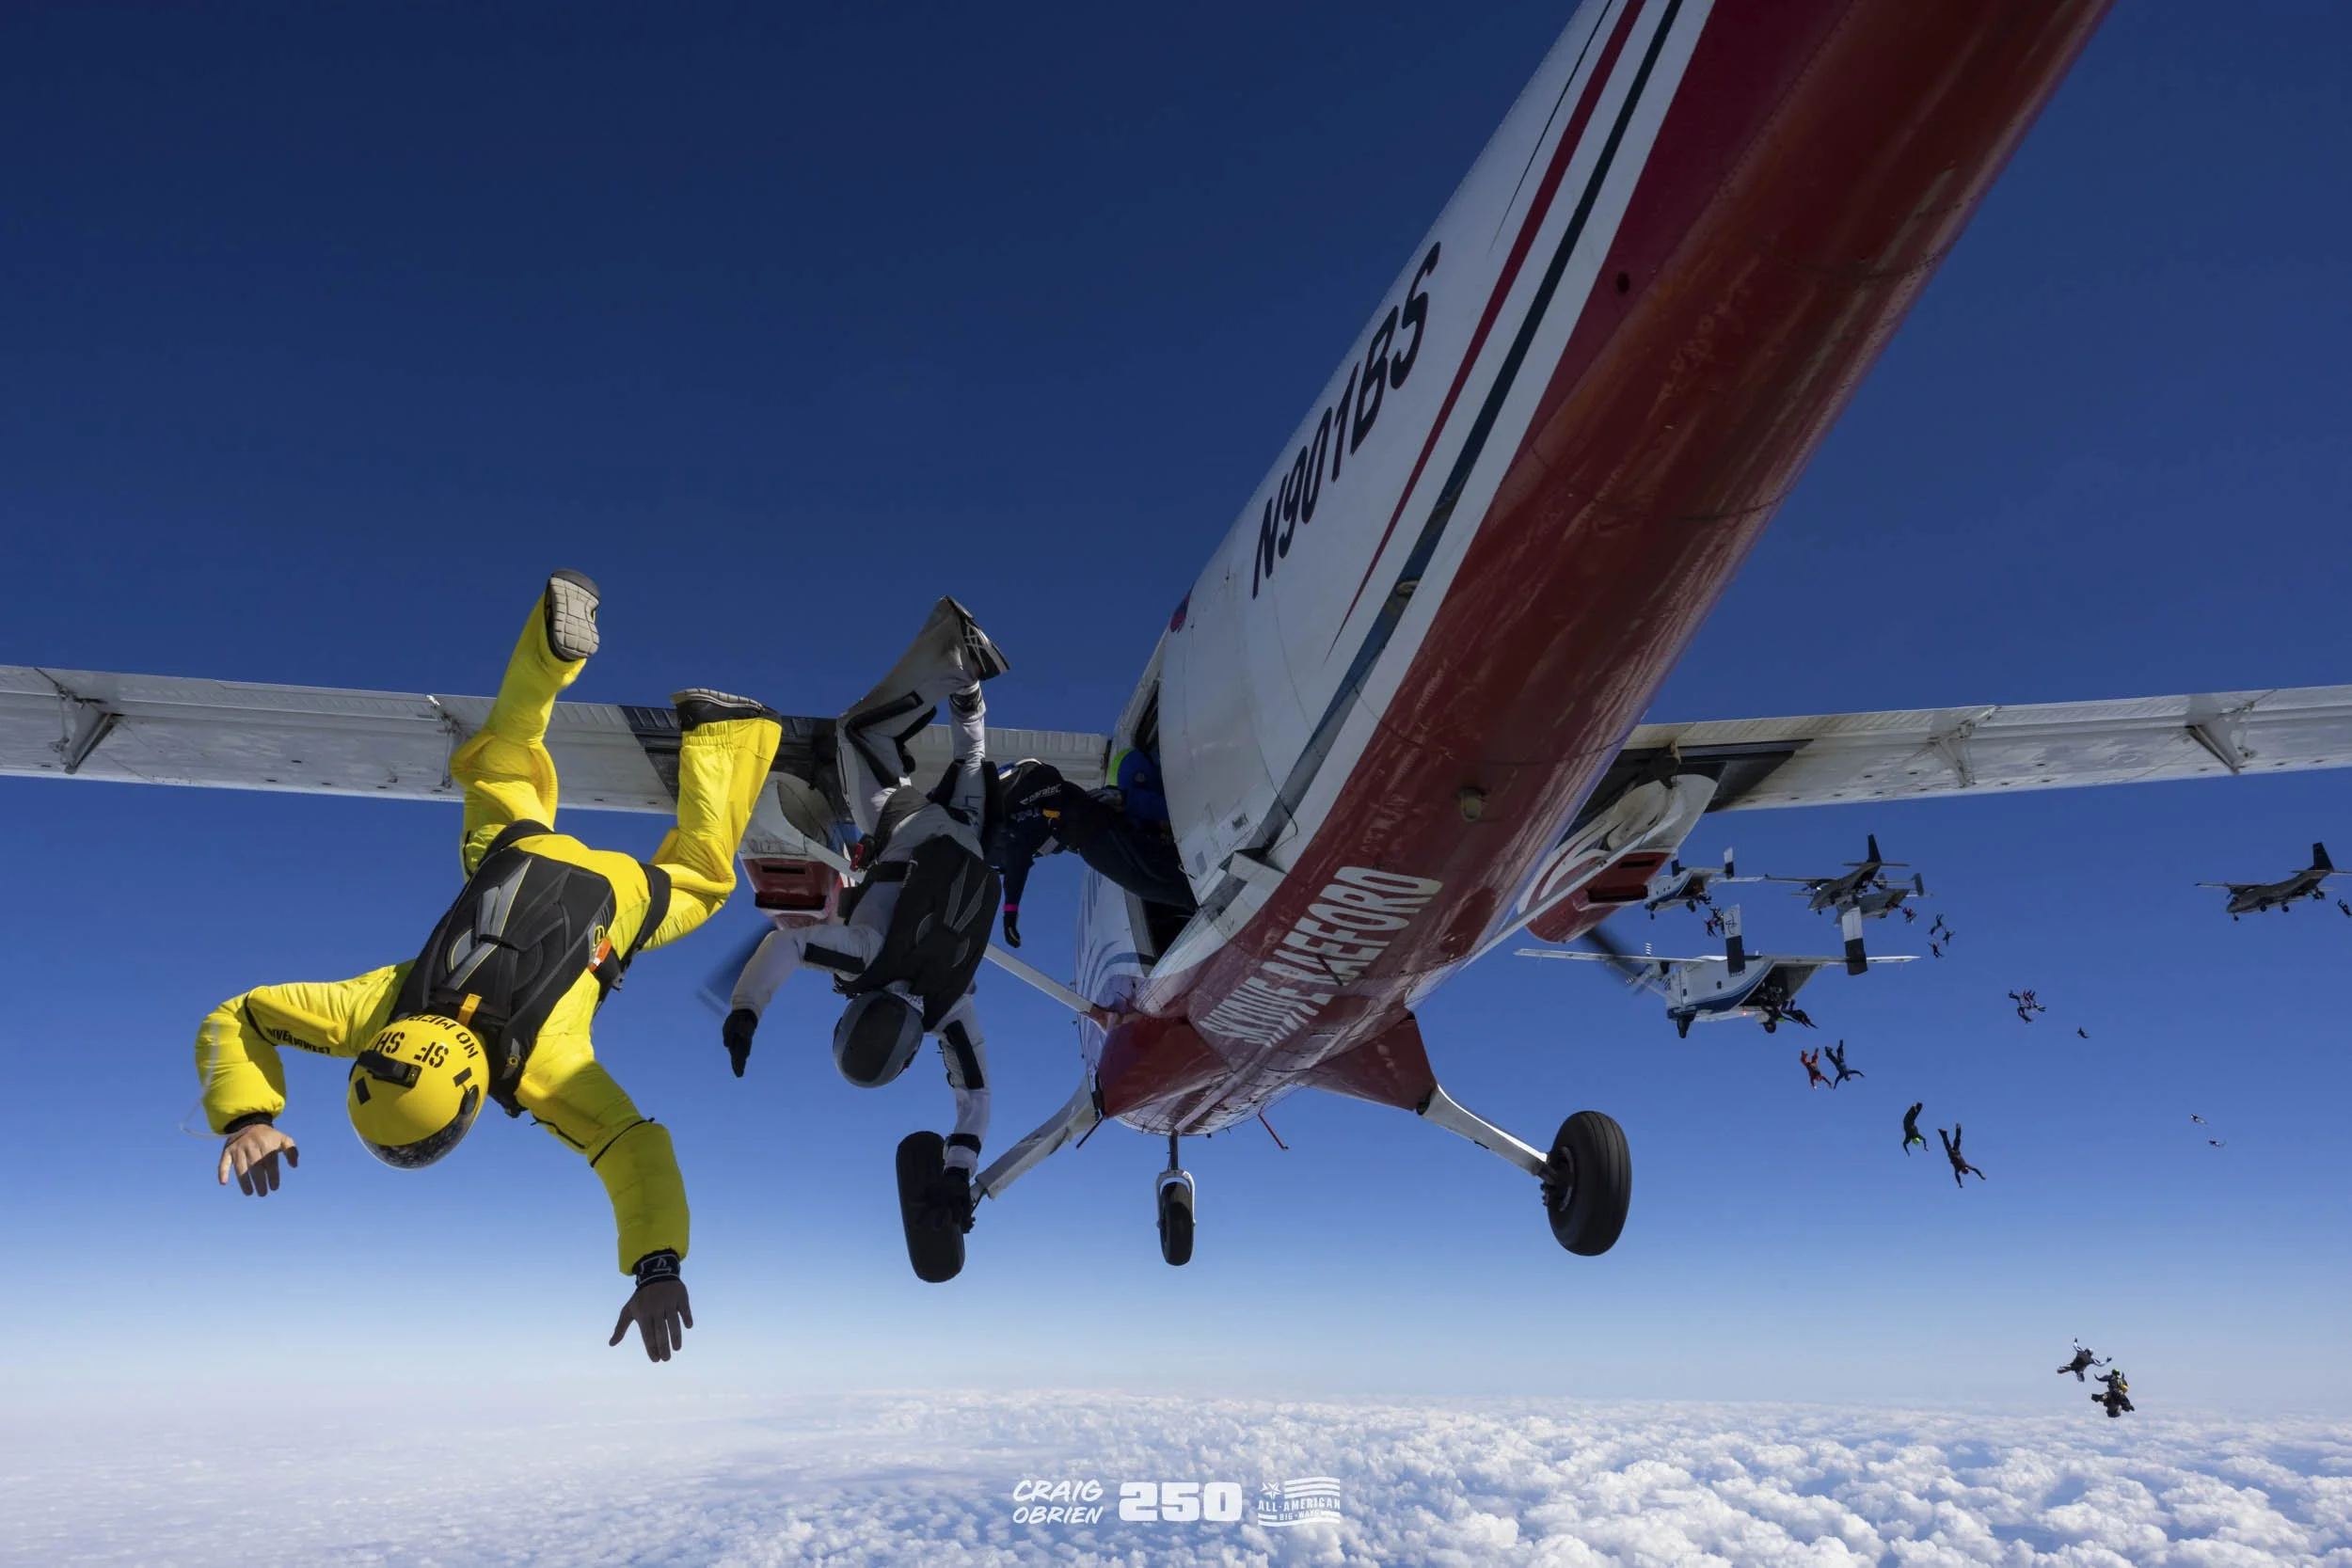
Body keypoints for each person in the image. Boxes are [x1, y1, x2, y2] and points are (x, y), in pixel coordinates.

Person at [194, 573, 783, 1363]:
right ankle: (550, 645)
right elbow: (244, 1012)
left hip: (623, 895)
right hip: (515, 852)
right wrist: (248, 1116)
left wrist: (657, 1266)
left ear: (473, 1104)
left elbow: (634, 1151)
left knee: (706, 877)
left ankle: (727, 732)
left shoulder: (543, 1072)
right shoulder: (381, 1009)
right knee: (506, 764)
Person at [723, 598, 1008, 1234]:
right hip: (906, 827)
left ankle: (971, 701)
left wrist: (960, 1169)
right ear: (851, 1015)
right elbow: (791, 947)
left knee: (968, 765)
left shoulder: (948, 1007)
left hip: (971, 836)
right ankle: (955, 660)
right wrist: (746, 1009)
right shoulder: (865, 956)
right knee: (858, 733)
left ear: (910, 1056)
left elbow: (977, 1099)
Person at [990, 753, 1195, 950]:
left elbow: (1018, 860)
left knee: (1157, 883)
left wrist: (1010, 913)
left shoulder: (1003, 834)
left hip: (1094, 835)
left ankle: (1199, 896)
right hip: (1094, 830)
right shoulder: (1015, 819)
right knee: (1153, 879)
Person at [1938, 1124, 1985, 1188]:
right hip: (1957, 1151)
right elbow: (1975, 1169)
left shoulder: (1957, 1169)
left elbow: (1957, 1176)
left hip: (1951, 1154)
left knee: (1946, 1142)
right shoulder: (1966, 1165)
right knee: (1957, 1140)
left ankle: (1943, 1133)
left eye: (1965, 1170)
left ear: (1962, 1171)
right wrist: (1981, 1175)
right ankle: (1958, 1128)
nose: (1965, 1168)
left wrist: (1959, 1183)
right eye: (1966, 1169)